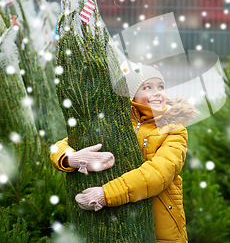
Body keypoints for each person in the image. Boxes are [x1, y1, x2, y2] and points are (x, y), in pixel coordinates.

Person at [50, 64, 197, 242]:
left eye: (161, 87)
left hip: (160, 224)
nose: (157, 92)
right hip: (118, 221)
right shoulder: (118, 119)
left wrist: (106, 194)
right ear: (132, 95)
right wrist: (71, 158)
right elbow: (60, 145)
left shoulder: (174, 129)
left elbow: (159, 174)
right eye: (147, 87)